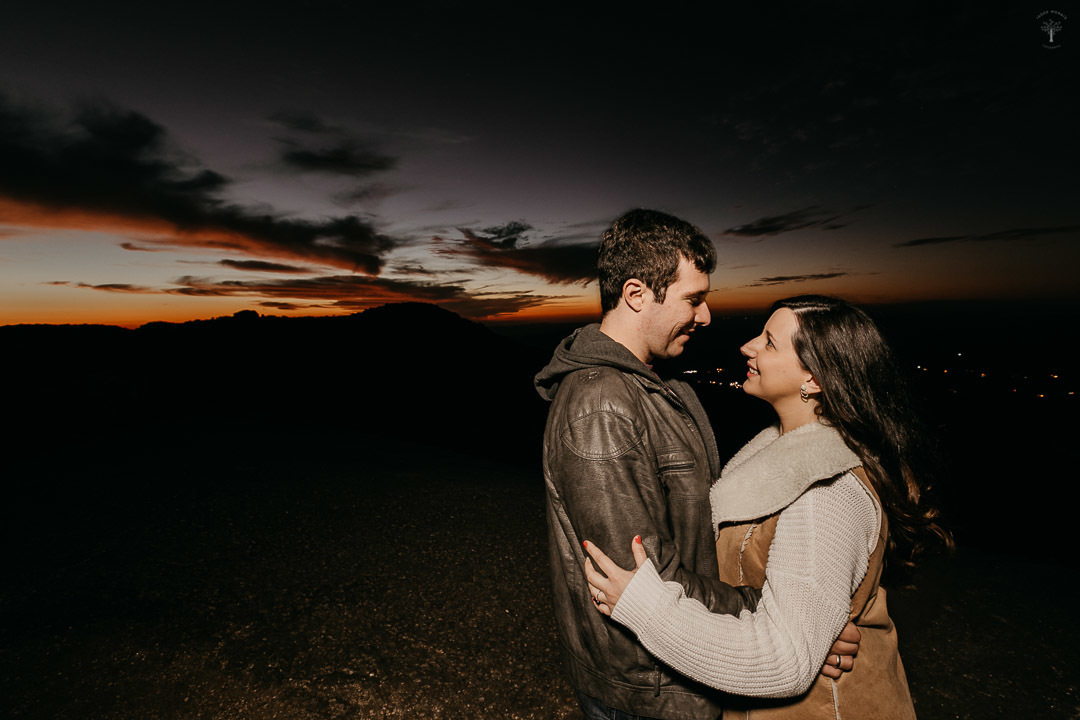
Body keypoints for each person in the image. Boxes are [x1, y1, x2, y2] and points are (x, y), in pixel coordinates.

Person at [535, 215, 858, 720]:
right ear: (637, 294)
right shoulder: (601, 404)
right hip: (650, 690)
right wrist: (784, 624)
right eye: (693, 299)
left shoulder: (654, 386)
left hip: (680, 666)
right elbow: (643, 582)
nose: (706, 316)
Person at [584, 295, 952, 719]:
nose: (748, 346)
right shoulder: (778, 455)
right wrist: (811, 628)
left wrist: (644, 606)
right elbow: (782, 614)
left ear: (813, 378)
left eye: (770, 342)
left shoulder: (826, 491)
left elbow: (785, 662)